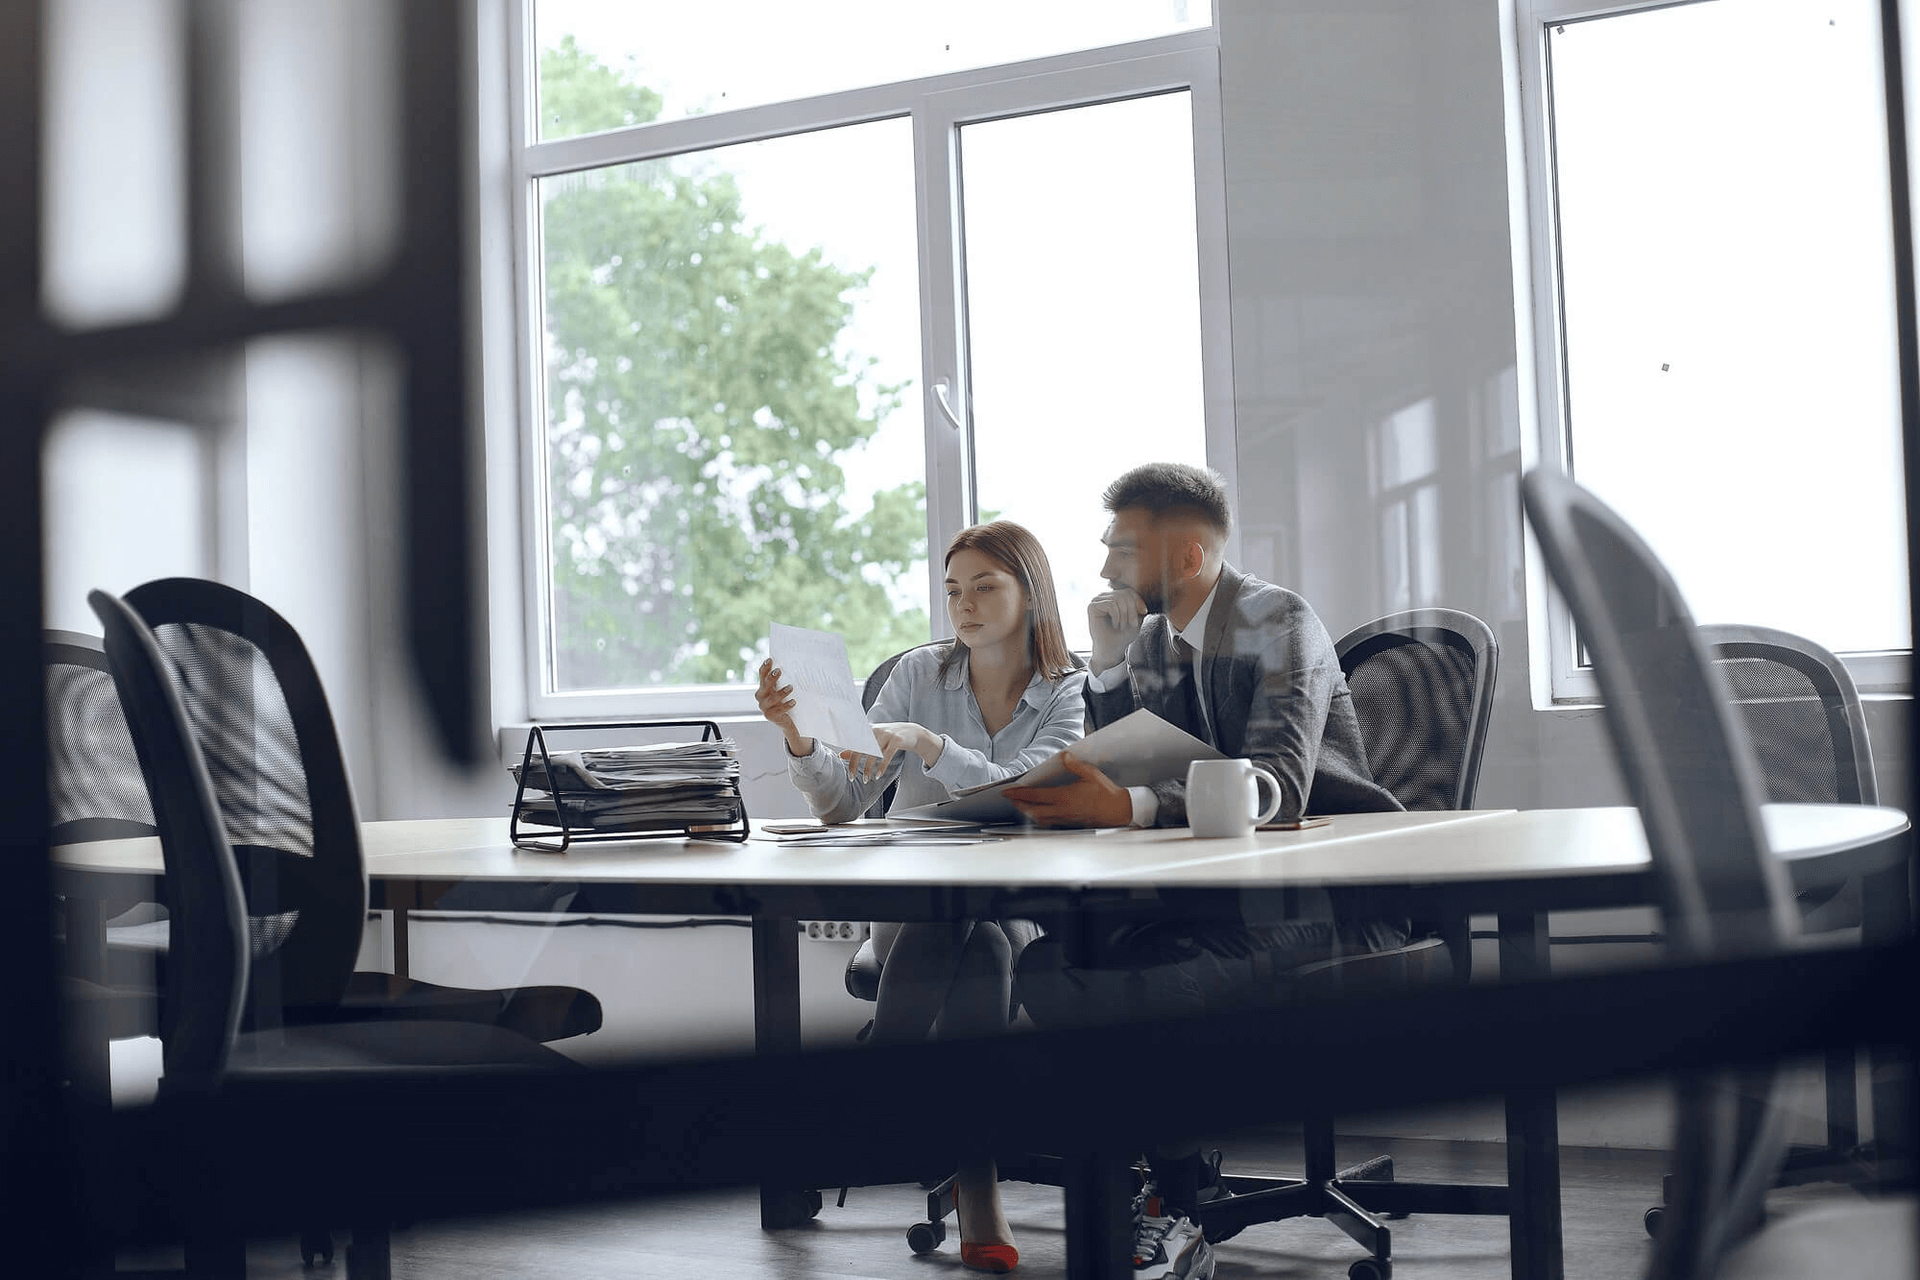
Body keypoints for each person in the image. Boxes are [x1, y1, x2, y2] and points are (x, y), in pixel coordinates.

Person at [1005, 462, 1406, 1280]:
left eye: (1123, 547)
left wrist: (1131, 810)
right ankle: (1170, 1179)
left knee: (1135, 984)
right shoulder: (1154, 638)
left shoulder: (1275, 621)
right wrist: (1112, 672)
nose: (1108, 566)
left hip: (1330, 897)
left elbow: (1277, 787)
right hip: (1216, 901)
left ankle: (1171, 1195)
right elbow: (1129, 757)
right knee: (1052, 963)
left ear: (1186, 558)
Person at [756, 519, 1086, 1274]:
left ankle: (887, 1093)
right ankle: (977, 1181)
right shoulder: (916, 676)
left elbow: (1035, 790)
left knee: (985, 933)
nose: (962, 605)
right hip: (909, 912)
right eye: (952, 590)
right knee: (961, 928)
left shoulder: (1072, 690)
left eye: (984, 586)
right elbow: (844, 807)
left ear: (1031, 594)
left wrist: (931, 745)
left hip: (1027, 912)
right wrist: (802, 740)